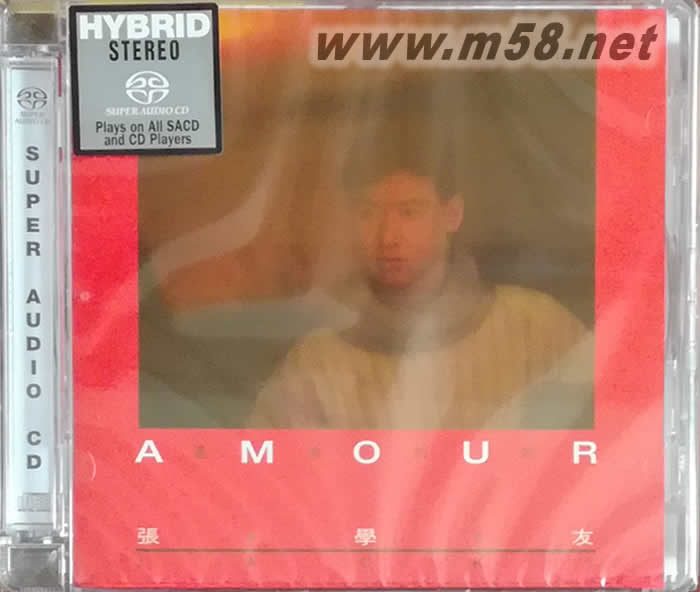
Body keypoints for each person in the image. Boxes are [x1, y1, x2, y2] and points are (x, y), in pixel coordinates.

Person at [247, 138, 593, 430]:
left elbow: (606, 452)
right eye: (368, 213)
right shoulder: (315, 362)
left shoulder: (537, 329)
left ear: (451, 215)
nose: (388, 236)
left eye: (409, 212)